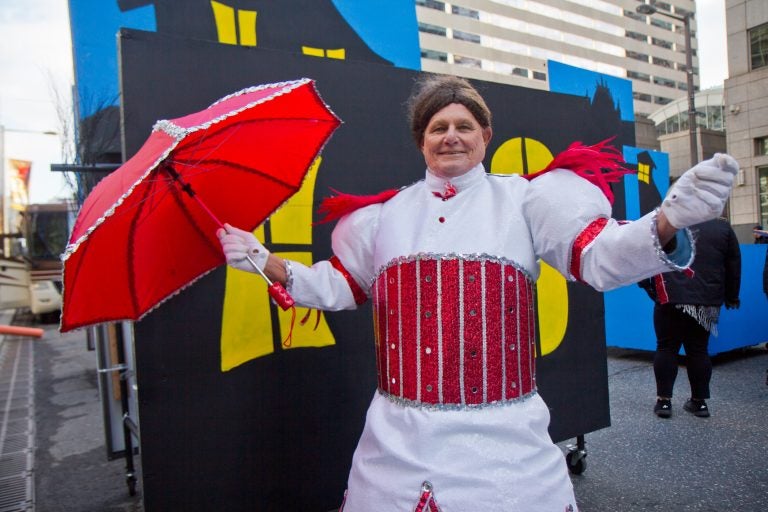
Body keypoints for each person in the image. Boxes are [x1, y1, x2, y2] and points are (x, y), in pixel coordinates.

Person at [218, 75, 737, 511]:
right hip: (395, 452)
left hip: (505, 455)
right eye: (437, 127)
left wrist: (667, 220)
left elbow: (599, 258)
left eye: (463, 126)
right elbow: (339, 285)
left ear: (485, 135)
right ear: (421, 141)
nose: (451, 137)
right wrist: (267, 262)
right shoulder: (383, 217)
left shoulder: (527, 200)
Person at [640, 218, 741, 419]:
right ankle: (699, 403)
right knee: (699, 350)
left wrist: (649, 288)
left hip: (671, 297)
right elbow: (733, 264)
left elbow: (646, 256)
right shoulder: (722, 227)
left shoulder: (667, 222)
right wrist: (731, 296)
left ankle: (664, 402)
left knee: (666, 347)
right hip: (707, 300)